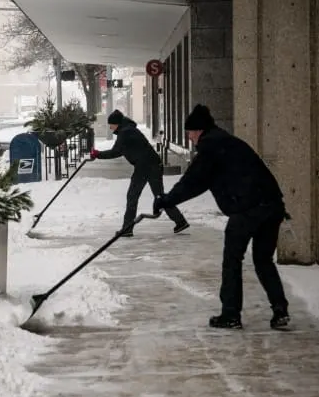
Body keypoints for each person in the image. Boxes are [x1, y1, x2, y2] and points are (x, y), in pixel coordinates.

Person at [153, 104, 290, 329]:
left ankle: (230, 314)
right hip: (272, 206)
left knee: (232, 261)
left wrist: (166, 200)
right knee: (263, 260)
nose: (189, 138)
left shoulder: (210, 149)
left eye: (189, 133)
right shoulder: (231, 143)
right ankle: (280, 309)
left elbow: (192, 182)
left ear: (198, 131)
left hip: (246, 209)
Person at [90, 110, 189, 237]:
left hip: (145, 166)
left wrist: (98, 154)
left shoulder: (125, 133)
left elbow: (115, 152)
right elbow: (121, 151)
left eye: (111, 124)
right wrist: (99, 154)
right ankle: (180, 221)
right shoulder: (128, 130)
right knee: (159, 197)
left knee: (133, 196)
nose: (110, 127)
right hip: (151, 165)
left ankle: (127, 228)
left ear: (117, 123)